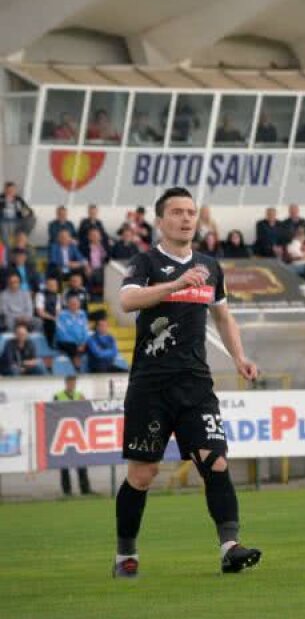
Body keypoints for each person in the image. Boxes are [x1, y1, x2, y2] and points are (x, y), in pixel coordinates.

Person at [112, 187, 261, 579]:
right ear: (160, 221)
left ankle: (230, 548)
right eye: (177, 212)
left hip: (195, 384)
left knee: (215, 461)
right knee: (142, 475)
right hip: (151, 386)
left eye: (191, 212)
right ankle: (126, 554)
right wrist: (176, 284)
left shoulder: (210, 266)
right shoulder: (145, 261)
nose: (186, 218)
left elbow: (223, 317)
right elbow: (127, 302)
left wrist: (240, 357)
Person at [54, 376, 93, 495]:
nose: (72, 384)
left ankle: (85, 489)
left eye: (73, 382)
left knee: (81, 462)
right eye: (70, 382)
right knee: (64, 464)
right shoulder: (58, 396)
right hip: (63, 433)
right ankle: (67, 491)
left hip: (77, 433)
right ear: (66, 383)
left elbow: (85, 412)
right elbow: (54, 412)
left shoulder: (80, 395)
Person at [55, 294, 89, 372]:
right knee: (72, 347)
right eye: (72, 304)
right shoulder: (61, 315)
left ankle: (95, 369)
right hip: (65, 342)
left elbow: (85, 330)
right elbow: (62, 333)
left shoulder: (82, 314)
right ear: (68, 305)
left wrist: (83, 343)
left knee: (92, 344)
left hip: (80, 343)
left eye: (76, 304)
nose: (74, 306)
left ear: (79, 305)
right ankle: (76, 369)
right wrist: (76, 344)